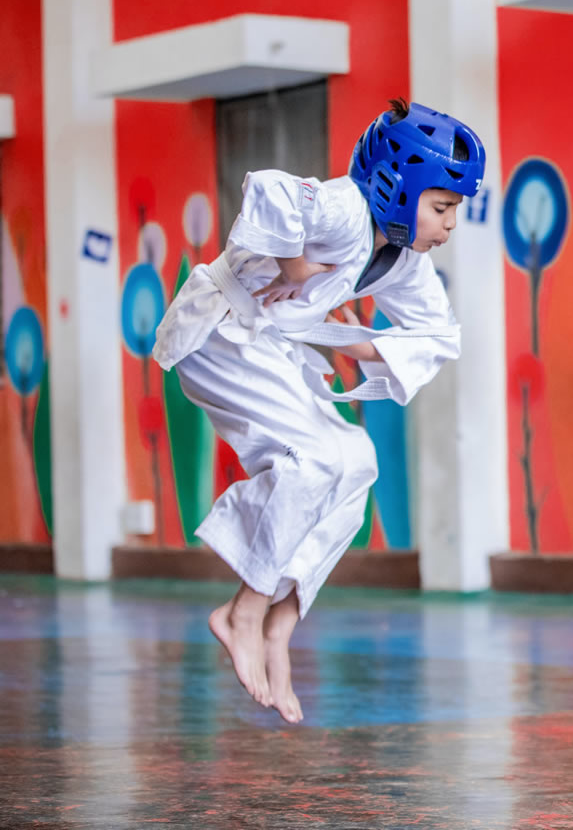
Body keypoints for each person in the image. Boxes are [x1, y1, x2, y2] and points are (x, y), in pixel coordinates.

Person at [153, 99, 484, 723]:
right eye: (442, 207)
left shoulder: (401, 259)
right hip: (222, 335)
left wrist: (342, 335)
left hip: (265, 346)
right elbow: (268, 191)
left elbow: (437, 335)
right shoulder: (345, 209)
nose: (450, 224)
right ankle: (241, 612)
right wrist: (296, 266)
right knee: (309, 463)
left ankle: (280, 621)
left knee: (357, 461)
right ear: (398, 186)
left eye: (456, 211)